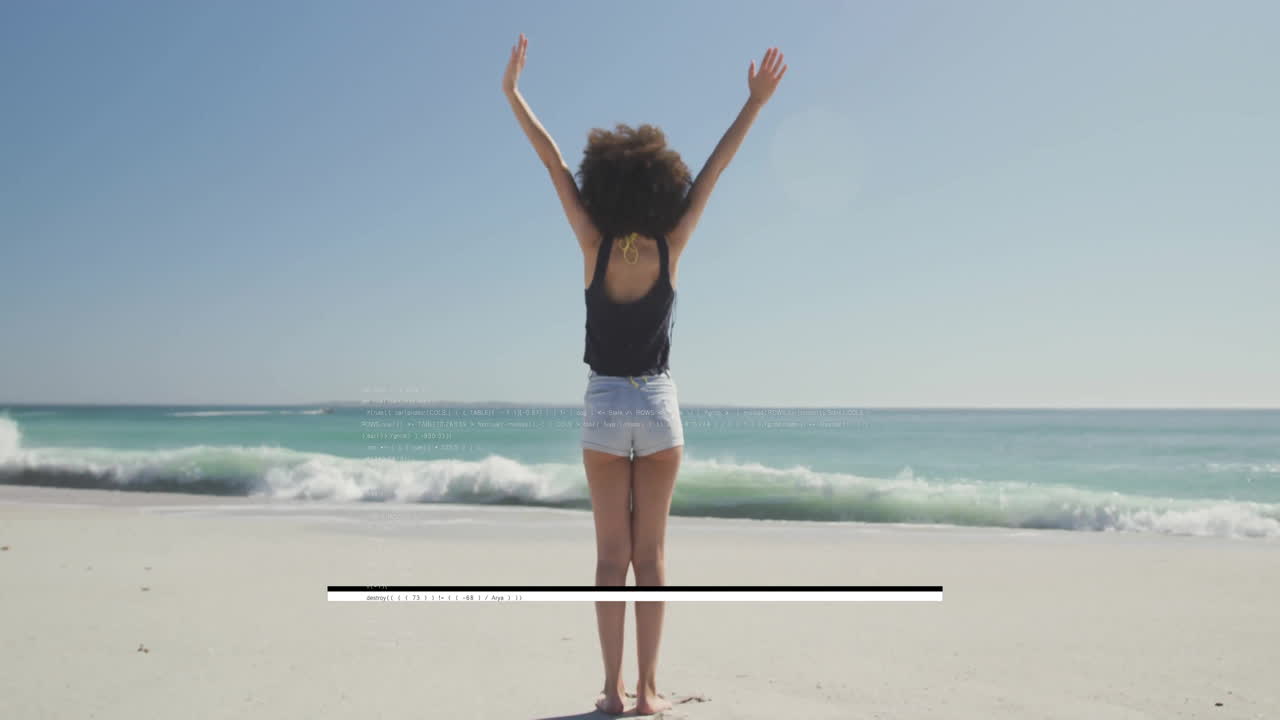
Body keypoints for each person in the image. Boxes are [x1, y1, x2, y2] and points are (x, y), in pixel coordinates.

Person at [503, 33, 787, 716]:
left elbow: (549, 163)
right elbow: (716, 169)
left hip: (603, 404)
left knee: (609, 561)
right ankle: (650, 692)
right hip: (658, 406)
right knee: (652, 560)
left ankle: (610, 691)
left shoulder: (593, 243)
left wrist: (514, 94)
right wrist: (754, 104)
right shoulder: (672, 243)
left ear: (605, 183)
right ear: (662, 184)